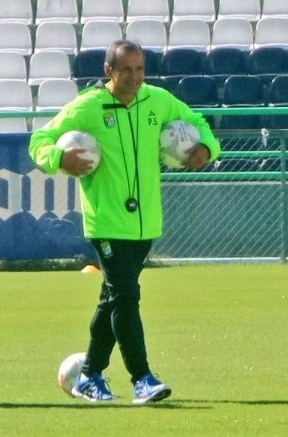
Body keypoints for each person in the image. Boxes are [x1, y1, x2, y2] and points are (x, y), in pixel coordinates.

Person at [29, 40, 220, 404]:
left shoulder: (158, 100)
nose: (134, 78)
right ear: (108, 72)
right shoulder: (88, 106)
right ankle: (142, 379)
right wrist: (58, 158)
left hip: (146, 222)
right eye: (126, 70)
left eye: (140, 69)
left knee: (113, 299)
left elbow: (197, 122)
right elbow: (39, 140)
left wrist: (207, 148)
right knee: (127, 296)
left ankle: (89, 376)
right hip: (106, 221)